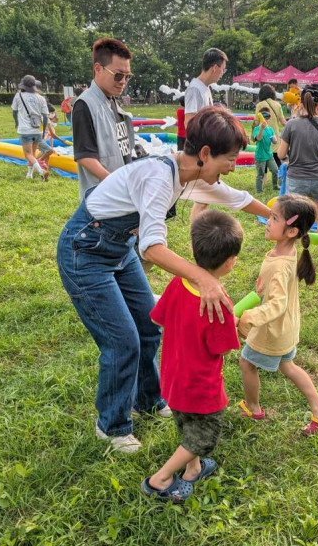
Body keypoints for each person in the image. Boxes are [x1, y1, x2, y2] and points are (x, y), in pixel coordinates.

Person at [57, 108, 259, 454]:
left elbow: (233, 197)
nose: (231, 167)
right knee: (123, 341)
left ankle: (148, 400)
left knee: (150, 328)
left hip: (118, 250)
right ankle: (112, 426)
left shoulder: (191, 174)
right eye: (229, 159)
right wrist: (203, 278)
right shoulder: (159, 176)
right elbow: (151, 247)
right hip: (85, 252)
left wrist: (282, 217)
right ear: (206, 154)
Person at [142, 211, 243, 502]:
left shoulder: (177, 283)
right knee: (204, 435)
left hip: (173, 378)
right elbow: (222, 347)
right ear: (229, 262)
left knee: (187, 425)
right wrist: (235, 321)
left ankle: (192, 470)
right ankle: (160, 479)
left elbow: (159, 318)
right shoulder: (220, 305)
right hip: (200, 386)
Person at [237, 194, 318, 434]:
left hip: (271, 329)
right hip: (286, 327)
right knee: (289, 366)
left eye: (274, 218)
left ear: (292, 232)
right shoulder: (289, 250)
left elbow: (277, 304)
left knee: (246, 362)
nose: (268, 221)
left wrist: (249, 318)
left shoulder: (280, 264)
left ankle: (253, 408)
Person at [277, 88, 318, 253]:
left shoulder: (291, 125)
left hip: (296, 178)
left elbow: (281, 154)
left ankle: (292, 250)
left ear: (301, 104)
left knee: (293, 217)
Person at [72, 38, 136, 199]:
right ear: (98, 69)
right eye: (118, 75)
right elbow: (85, 157)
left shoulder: (112, 102)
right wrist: (117, 183)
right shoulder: (84, 105)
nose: (123, 82)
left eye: (127, 77)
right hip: (103, 200)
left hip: (122, 197)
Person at [185, 48, 229, 221]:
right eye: (223, 69)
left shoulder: (205, 88)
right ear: (214, 68)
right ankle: (197, 239)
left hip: (208, 149)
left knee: (204, 199)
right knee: (202, 199)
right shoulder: (194, 89)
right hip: (200, 151)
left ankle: (198, 237)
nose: (222, 74)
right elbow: (189, 122)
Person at [11, 75, 48, 181]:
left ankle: (41, 171)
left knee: (28, 154)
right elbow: (45, 116)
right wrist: (44, 129)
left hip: (25, 130)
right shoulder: (41, 98)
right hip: (37, 130)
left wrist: (16, 122)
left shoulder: (19, 96)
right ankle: (29, 174)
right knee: (32, 153)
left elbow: (14, 112)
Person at [254, 84, 288, 167]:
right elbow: (283, 122)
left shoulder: (259, 105)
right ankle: (280, 178)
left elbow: (256, 122)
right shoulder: (277, 105)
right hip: (274, 137)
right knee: (277, 163)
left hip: (263, 138)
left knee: (263, 165)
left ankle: (264, 180)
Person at [253, 110, 279, 192]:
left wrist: (273, 137)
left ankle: (275, 186)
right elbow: (258, 138)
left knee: (275, 170)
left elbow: (275, 141)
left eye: (268, 118)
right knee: (260, 174)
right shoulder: (256, 129)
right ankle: (259, 191)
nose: (266, 120)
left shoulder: (270, 129)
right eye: (265, 118)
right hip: (260, 156)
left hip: (269, 155)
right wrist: (261, 129)